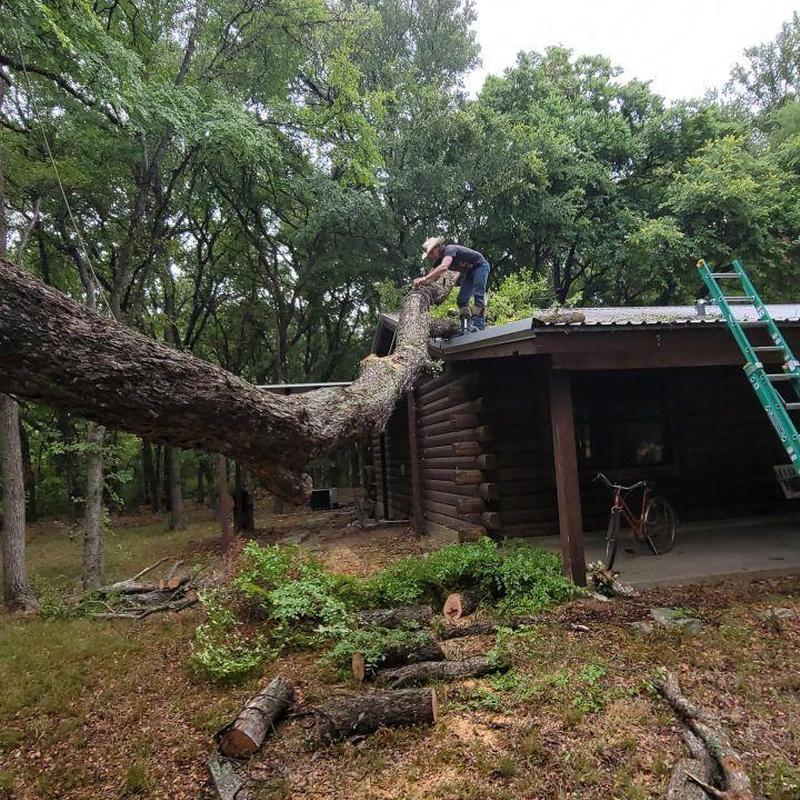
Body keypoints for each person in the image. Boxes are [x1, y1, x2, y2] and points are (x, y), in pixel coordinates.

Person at [414, 236, 491, 332]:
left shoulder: (450, 250)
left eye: (431, 253)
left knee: (478, 294)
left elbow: (444, 267)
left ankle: (479, 325)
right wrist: (421, 283)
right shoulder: (439, 261)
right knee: (462, 300)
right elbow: (431, 278)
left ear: (437, 247)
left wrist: (425, 278)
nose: (431, 256)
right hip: (470, 273)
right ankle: (465, 326)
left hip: (480, 266)